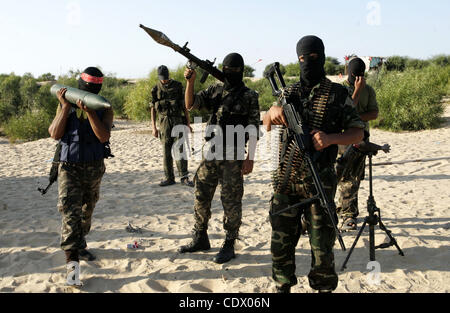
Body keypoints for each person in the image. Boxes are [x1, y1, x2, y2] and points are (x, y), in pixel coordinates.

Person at [263, 36, 365, 293]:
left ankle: (322, 286)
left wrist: (331, 138)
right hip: (286, 179)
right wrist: (270, 113)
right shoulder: (288, 93)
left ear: (321, 55)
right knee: (281, 242)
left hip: (320, 179)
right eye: (301, 58)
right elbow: (267, 125)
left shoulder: (338, 93)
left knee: (322, 244)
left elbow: (357, 133)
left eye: (312, 57)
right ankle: (282, 284)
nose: (307, 62)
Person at [178, 53, 260, 264]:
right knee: (201, 194)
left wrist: (250, 158)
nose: (229, 74)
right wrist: (190, 82)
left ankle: (229, 243)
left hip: (233, 154)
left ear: (241, 71)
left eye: (232, 71)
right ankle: (200, 236)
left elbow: (253, 129)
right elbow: (191, 104)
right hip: (211, 151)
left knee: (231, 201)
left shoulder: (250, 95)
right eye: (226, 70)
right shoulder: (215, 90)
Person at [48, 67, 114, 287]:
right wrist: (65, 107)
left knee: (87, 211)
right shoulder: (65, 105)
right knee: (70, 214)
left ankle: (80, 242)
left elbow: (103, 136)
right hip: (69, 169)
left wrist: (90, 113)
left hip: (94, 169)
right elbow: (54, 134)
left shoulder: (104, 109)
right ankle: (73, 270)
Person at [336, 57, 379, 231]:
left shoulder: (368, 90)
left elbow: (374, 113)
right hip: (342, 140)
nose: (359, 78)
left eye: (361, 75)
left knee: (354, 179)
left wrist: (355, 119)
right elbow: (346, 111)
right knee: (341, 177)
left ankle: (349, 215)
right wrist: (357, 91)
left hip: (361, 139)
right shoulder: (340, 90)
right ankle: (338, 211)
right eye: (355, 75)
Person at [150, 65, 194, 187]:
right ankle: (169, 177)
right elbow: (153, 109)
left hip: (177, 120)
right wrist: (154, 127)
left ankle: (184, 177)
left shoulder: (178, 86)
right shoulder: (155, 89)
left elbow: (185, 106)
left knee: (180, 149)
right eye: (162, 78)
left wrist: (188, 124)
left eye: (166, 78)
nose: (164, 80)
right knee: (166, 150)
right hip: (164, 122)